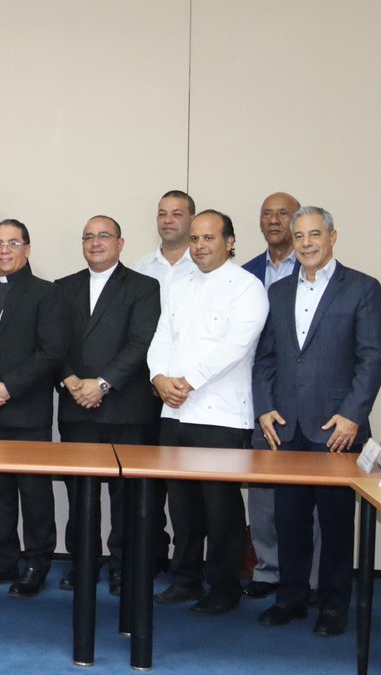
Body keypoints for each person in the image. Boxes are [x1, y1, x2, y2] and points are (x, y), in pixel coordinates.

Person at [254, 206, 381, 636]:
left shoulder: (363, 288)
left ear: (333, 236)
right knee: (287, 518)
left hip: (337, 429)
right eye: (299, 236)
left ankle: (333, 604)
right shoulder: (277, 292)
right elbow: (266, 359)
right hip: (285, 427)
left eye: (315, 234)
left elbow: (372, 358)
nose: (307, 243)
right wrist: (263, 407)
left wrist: (352, 415)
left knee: (335, 522)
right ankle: (290, 597)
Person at [147, 209, 268, 615]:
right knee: (181, 508)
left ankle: (223, 588)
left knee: (221, 511)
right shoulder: (180, 286)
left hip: (221, 416)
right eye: (195, 239)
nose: (199, 246)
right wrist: (160, 378)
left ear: (230, 242)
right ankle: (185, 580)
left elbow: (234, 347)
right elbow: (161, 337)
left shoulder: (247, 287)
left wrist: (187, 381)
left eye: (208, 238)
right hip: (175, 413)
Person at [54, 215, 161, 597]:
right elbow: (54, 344)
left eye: (104, 236)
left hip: (126, 408)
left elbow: (140, 343)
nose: (95, 242)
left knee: (125, 498)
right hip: (75, 407)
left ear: (120, 242)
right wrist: (70, 381)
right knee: (79, 493)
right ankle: (83, 563)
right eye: (88, 237)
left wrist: (101, 383)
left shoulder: (145, 287)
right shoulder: (62, 288)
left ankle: (123, 567)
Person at [0, 219, 67, 597]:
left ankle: (37, 560)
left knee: (33, 491)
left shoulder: (47, 294)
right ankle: (2, 560)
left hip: (26, 409)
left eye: (13, 243)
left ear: (27, 248)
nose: (4, 250)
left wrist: (10, 387)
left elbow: (51, 352)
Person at [240, 192, 314, 600]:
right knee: (265, 494)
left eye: (282, 213)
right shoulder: (246, 272)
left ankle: (311, 577)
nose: (273, 220)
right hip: (262, 397)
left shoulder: (317, 272)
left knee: (313, 497)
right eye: (266, 213)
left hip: (312, 401)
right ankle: (268, 570)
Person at [131, 188, 198, 574]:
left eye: (176, 213)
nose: (168, 220)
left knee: (188, 485)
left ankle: (189, 563)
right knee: (151, 483)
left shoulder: (205, 265)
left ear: (191, 218)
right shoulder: (141, 268)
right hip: (147, 389)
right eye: (162, 214)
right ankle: (153, 554)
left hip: (194, 392)